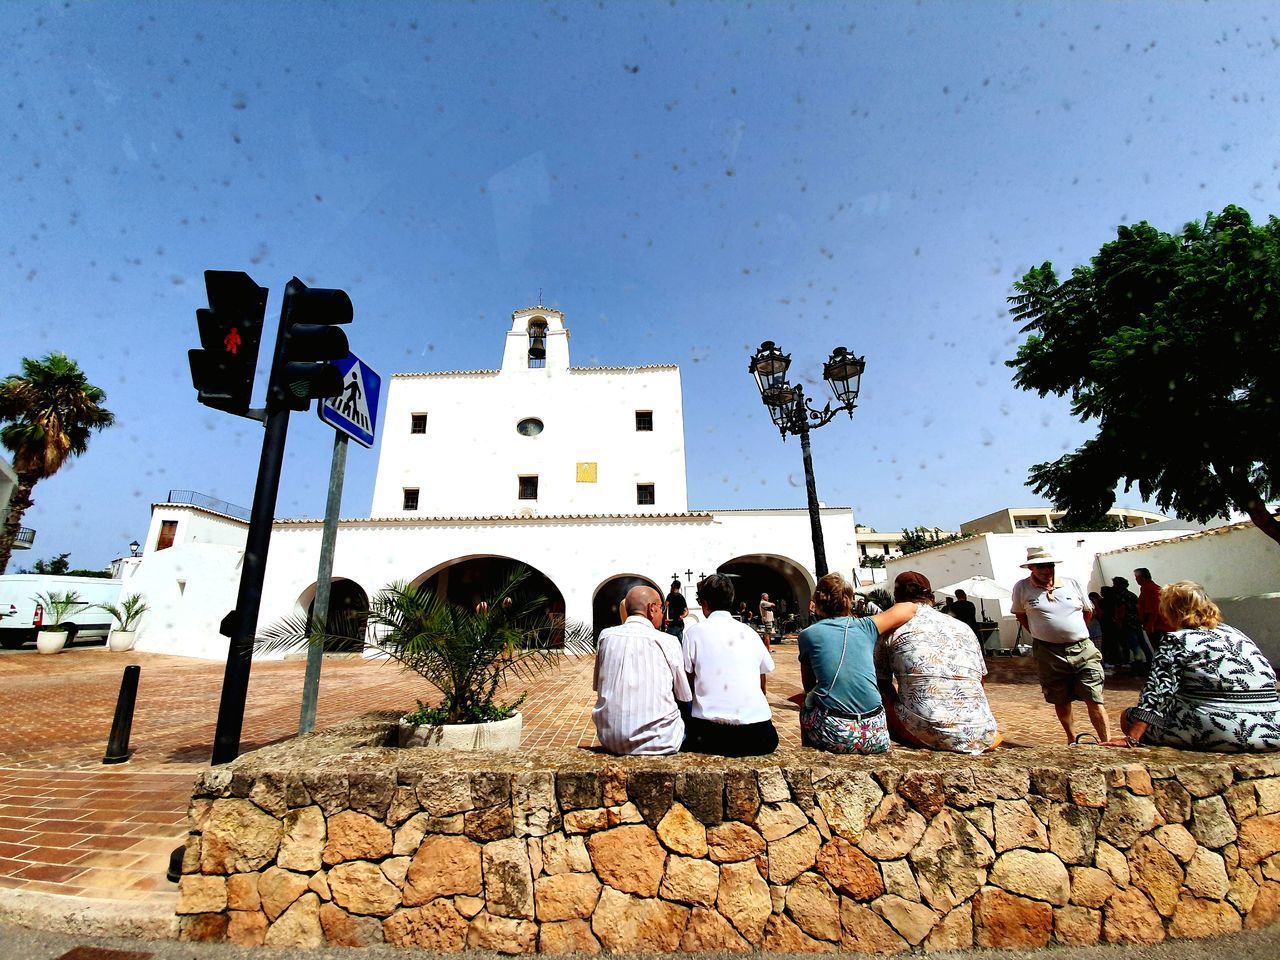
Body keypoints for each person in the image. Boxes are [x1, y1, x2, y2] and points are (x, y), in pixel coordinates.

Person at [1119, 581, 1280, 752]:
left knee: (1128, 716)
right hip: (1273, 727)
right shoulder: (1236, 634)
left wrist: (1132, 737)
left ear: (1171, 611)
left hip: (1226, 730)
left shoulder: (1176, 640)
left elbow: (1158, 693)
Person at [875, 572, 999, 755]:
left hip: (926, 731)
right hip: (984, 733)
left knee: (879, 690)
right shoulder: (963, 628)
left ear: (897, 598)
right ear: (931, 597)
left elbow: (880, 682)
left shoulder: (891, 631)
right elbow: (981, 679)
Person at [797, 572, 920, 754]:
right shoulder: (867, 626)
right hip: (874, 729)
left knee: (806, 706)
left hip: (834, 732)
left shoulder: (808, 634)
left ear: (818, 602)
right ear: (849, 601)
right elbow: (909, 608)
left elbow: (808, 684)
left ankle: (810, 761)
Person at [1011, 546, 1111, 744]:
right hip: (1048, 651)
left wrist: (1074, 631)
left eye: (1050, 565)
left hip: (1082, 648)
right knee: (1060, 697)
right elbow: (1020, 615)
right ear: (1031, 567)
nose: (1047, 570)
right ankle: (1071, 738)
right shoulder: (1021, 588)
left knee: (1094, 696)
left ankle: (1106, 741)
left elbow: (1087, 611)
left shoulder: (1071, 584)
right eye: (1041, 567)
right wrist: (1042, 632)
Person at [682, 575, 778, 756]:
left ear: (704, 603)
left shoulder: (693, 634)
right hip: (757, 734)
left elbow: (687, 683)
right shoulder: (749, 633)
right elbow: (762, 678)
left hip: (709, 733)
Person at [593, 585, 692, 755]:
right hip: (661, 741)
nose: (662, 613)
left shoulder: (606, 637)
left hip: (610, 740)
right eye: (661, 608)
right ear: (652, 609)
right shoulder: (668, 641)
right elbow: (684, 695)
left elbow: (597, 686)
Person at [1112, 576, 1154, 670]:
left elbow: (1121, 609)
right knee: (1143, 643)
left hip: (1127, 622)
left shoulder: (1119, 595)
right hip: (1136, 621)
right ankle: (1150, 661)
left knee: (1134, 645)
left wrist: (1119, 621)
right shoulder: (1132, 594)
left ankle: (1139, 665)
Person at [1134, 568, 1170, 652]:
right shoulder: (1150, 588)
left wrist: (1150, 626)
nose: (1136, 580)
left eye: (1136, 577)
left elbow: (1153, 610)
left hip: (1158, 625)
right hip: (1158, 624)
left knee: (1160, 649)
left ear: (1142, 577)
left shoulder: (1149, 589)